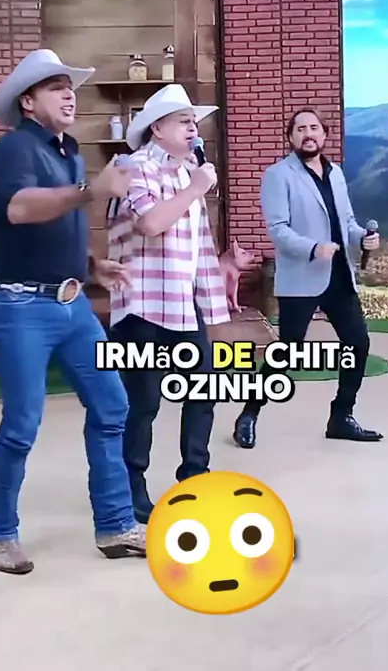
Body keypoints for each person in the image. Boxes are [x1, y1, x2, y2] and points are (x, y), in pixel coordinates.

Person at [0, 49, 147, 575]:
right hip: (20, 305)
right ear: (28, 102)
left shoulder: (70, 151)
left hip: (73, 303)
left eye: (69, 86)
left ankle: (115, 525)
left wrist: (92, 263)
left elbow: (62, 223)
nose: (68, 94)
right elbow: (19, 209)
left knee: (112, 405)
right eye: (55, 87)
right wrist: (89, 191)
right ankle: (2, 531)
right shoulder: (14, 147)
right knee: (22, 424)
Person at [108, 84, 230, 524]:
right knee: (143, 402)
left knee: (204, 389)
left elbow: (195, 246)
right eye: (183, 121)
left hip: (181, 303)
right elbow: (150, 223)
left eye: (193, 121)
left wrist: (212, 295)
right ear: (157, 128)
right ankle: (130, 488)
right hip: (141, 305)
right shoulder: (134, 166)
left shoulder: (187, 172)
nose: (193, 128)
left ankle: (194, 478)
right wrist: (196, 188)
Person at [233, 107, 383, 449]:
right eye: (300, 129)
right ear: (290, 137)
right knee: (288, 352)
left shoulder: (336, 173)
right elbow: (278, 229)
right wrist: (313, 248)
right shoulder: (278, 175)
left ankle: (341, 416)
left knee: (357, 343)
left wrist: (362, 238)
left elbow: (347, 222)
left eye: (314, 127)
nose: (308, 133)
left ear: (324, 134)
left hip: (339, 276)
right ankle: (249, 413)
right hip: (301, 277)